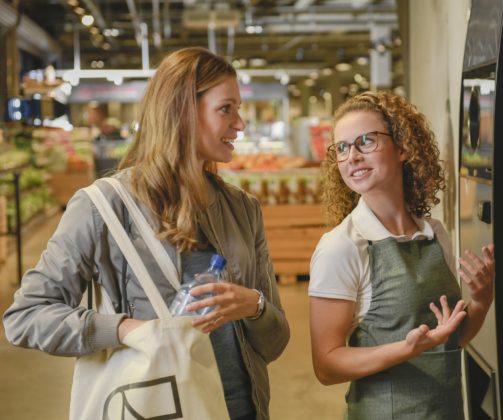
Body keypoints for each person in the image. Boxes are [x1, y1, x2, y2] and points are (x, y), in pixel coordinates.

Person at [3, 47, 290, 420]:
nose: (241, 124)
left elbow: (276, 341)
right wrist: (123, 329)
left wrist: (254, 306)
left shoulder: (243, 209)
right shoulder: (103, 208)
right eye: (226, 109)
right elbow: (25, 316)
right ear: (183, 111)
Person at [309, 91, 495, 419]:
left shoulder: (435, 233)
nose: (351, 156)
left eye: (366, 141)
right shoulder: (342, 247)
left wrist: (481, 301)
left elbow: (449, 344)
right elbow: (326, 366)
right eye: (342, 147)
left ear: (404, 148)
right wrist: (405, 349)